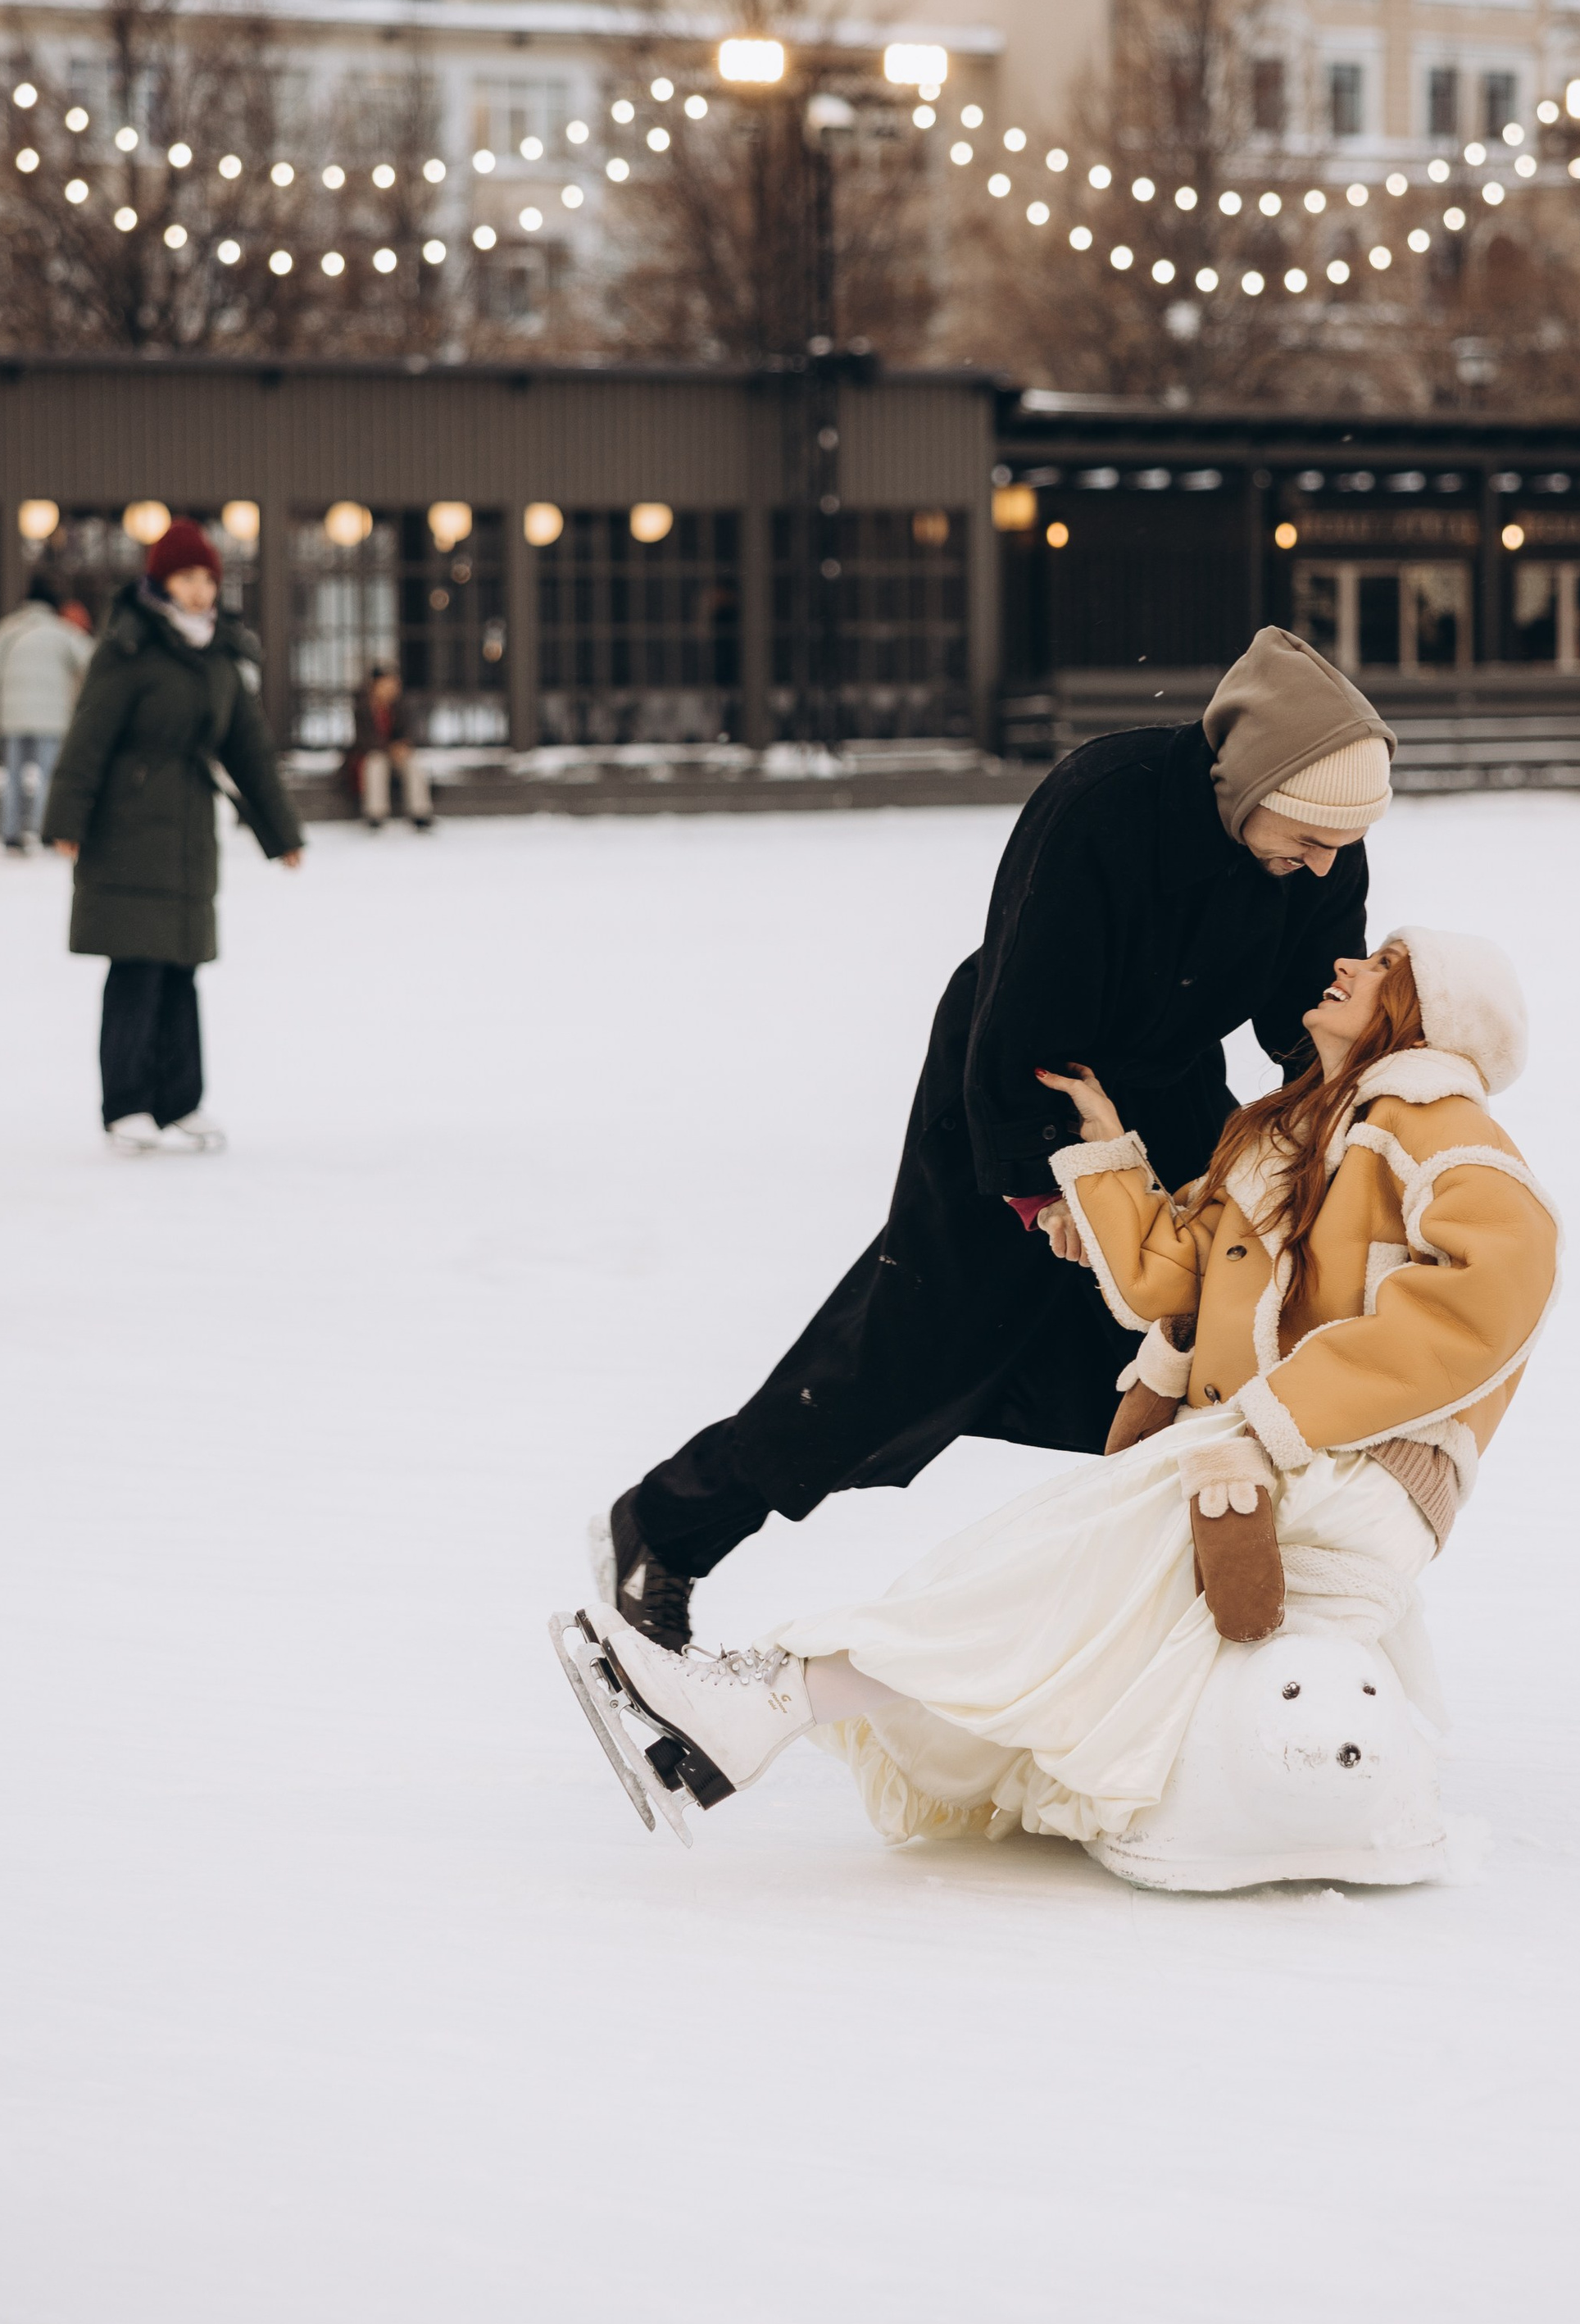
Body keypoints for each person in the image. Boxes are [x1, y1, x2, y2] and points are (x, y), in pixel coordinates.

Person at [558, 927, 1560, 1890]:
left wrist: (1268, 1423)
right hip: (1260, 1452)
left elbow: (1492, 1298)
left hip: (1361, 1472)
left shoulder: (1442, 1130)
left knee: (1056, 1561)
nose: (1347, 961)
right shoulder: (1288, 1133)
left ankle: (766, 1699)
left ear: (1427, 1022)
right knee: (1036, 1560)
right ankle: (764, 1704)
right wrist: (1107, 1156)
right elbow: (1172, 1278)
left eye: (1384, 964)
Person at [594, 625, 1396, 1654]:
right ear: (1252, 780)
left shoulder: (1319, 851)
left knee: (1197, 1351)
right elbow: (1024, 1017)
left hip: (1169, 1094)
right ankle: (665, 1527)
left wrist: (1343, 1130)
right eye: (1312, 835)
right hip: (1010, 1094)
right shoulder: (1105, 805)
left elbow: (1307, 1016)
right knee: (899, 1360)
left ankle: (1195, 1629)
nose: (1325, 863)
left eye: (1344, 844)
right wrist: (1046, 1192)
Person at [43, 518, 304, 1153]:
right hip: (128, 826)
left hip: (188, 829)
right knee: (137, 965)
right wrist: (66, 820)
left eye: (208, 579)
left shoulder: (219, 655)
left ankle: (180, 1101)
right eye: (188, 578)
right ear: (162, 581)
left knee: (183, 966)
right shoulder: (129, 646)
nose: (200, 591)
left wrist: (281, 832)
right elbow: (89, 736)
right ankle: (126, 1103)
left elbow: (249, 749)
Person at [0, 571, 94, 853]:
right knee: (48, 776)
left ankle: (11, 832)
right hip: (52, 718)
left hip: (12, 716)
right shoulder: (62, 632)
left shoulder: (6, 630)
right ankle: (46, 831)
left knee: (13, 776)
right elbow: (90, 661)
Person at [348, 664, 434, 830]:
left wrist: (403, 746)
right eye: (387, 684)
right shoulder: (363, 707)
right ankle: (375, 814)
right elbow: (364, 740)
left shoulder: (400, 705)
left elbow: (409, 732)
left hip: (396, 755)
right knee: (375, 763)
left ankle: (420, 813)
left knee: (413, 763)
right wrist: (390, 748)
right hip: (372, 754)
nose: (392, 689)